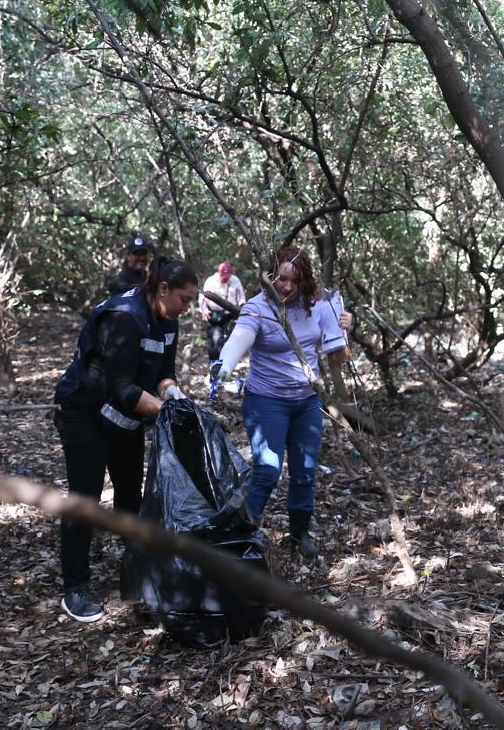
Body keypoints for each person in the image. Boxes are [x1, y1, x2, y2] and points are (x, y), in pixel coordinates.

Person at [53, 257, 198, 623]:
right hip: (84, 412)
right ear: (163, 290)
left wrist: (175, 397)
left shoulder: (169, 320)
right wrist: (165, 413)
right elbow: (122, 388)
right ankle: (75, 588)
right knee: (84, 498)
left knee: (131, 495)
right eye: (184, 298)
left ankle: (138, 571)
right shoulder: (124, 318)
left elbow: (163, 374)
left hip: (125, 418)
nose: (187, 307)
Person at [216, 247, 348, 558]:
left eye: (294, 280)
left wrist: (344, 330)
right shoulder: (257, 307)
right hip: (266, 400)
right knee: (268, 469)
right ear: (270, 276)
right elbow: (240, 338)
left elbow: (338, 356)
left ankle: (299, 536)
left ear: (304, 281)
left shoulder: (318, 305)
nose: (286, 287)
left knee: (305, 471)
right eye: (280, 278)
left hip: (306, 401)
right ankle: (241, 536)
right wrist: (223, 367)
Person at [199, 262, 246, 374]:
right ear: (218, 273)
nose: (225, 279)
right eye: (223, 277)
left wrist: (242, 306)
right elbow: (202, 298)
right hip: (215, 314)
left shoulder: (235, 280)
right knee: (214, 343)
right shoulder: (210, 281)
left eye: (227, 277)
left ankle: (226, 368)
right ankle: (214, 368)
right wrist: (204, 310)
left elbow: (242, 297)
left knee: (231, 342)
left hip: (231, 313)